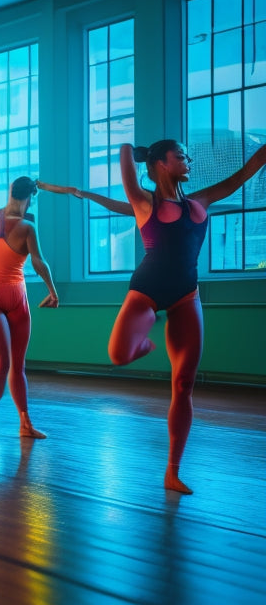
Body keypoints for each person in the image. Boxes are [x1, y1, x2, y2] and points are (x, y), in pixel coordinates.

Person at [109, 140, 266, 494]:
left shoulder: (201, 201)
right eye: (180, 156)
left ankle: (173, 471)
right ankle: (144, 343)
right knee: (119, 354)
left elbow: (242, 175)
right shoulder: (144, 201)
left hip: (186, 297)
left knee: (183, 386)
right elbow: (125, 163)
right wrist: (130, 150)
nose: (188, 160)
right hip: (146, 291)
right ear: (161, 164)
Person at [0, 176, 59, 439]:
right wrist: (53, 291)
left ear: (11, 191)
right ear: (30, 197)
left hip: (16, 301)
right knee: (4, 361)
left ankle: (25, 423)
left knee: (18, 365)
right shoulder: (26, 227)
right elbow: (39, 261)